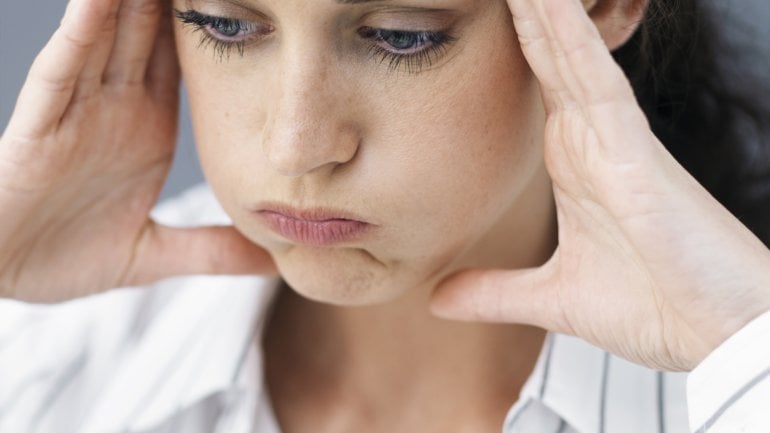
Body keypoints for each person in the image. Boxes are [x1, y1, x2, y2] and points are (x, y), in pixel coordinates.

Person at [0, 0, 769, 431]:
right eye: (226, 25)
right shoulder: (45, 352)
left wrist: (746, 340)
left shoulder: (737, 364)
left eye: (401, 37)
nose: (298, 146)